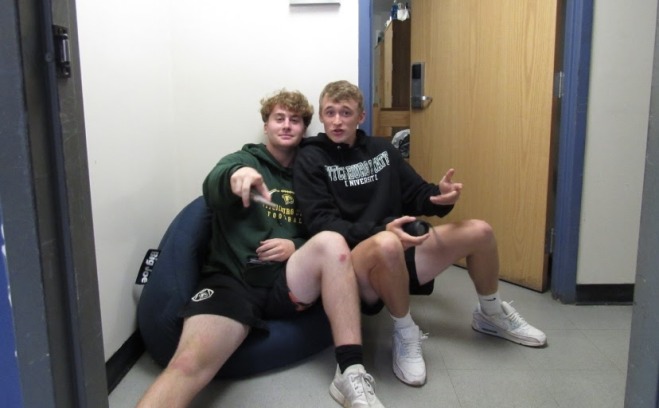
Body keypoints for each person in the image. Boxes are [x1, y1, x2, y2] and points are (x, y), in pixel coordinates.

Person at [137, 89, 384, 408]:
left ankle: (349, 369)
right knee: (186, 365)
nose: (286, 126)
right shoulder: (243, 160)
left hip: (287, 282)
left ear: (303, 128)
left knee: (333, 243)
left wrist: (295, 245)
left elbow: (327, 225)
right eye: (278, 119)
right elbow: (213, 186)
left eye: (294, 121)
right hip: (233, 282)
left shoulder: (310, 171)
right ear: (266, 125)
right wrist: (238, 176)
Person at [293, 80, 547, 387]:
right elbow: (319, 223)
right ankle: (405, 330)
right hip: (354, 266)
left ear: (360, 117)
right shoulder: (311, 157)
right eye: (330, 112)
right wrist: (379, 230)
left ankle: (491, 314)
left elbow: (417, 193)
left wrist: (438, 197)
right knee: (387, 242)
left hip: (399, 248)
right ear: (321, 116)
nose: (336, 120)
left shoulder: (382, 151)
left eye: (345, 112)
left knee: (480, 231)